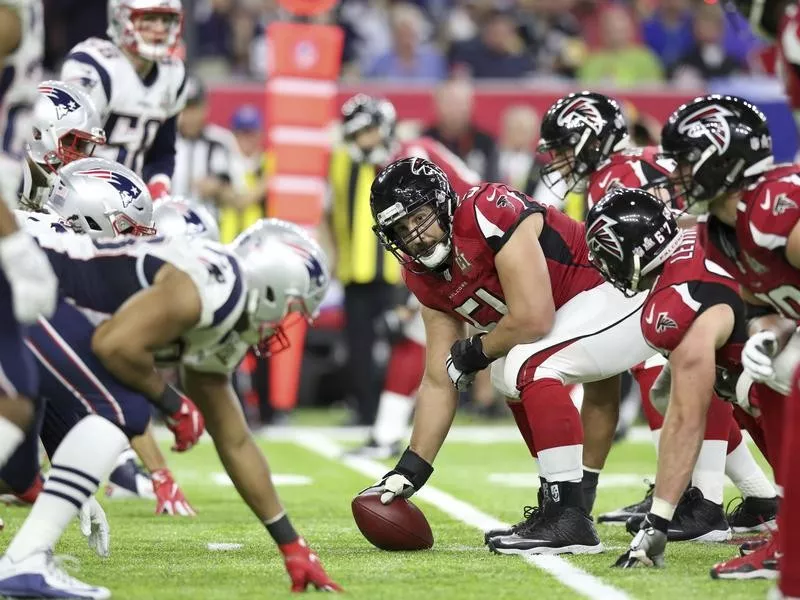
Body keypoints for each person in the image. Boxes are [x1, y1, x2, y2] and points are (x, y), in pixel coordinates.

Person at [19, 217, 341, 594]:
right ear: (272, 287)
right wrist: (172, 403)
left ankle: (24, 559)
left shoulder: (227, 319)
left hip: (44, 301)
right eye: (291, 309)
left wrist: (291, 544)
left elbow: (235, 441)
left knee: (17, 470)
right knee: (127, 411)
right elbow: (115, 346)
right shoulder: (218, 285)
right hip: (30, 277)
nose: (284, 325)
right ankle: (27, 559)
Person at [362, 156, 657, 555]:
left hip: (621, 293)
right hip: (579, 316)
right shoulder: (422, 275)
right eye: (400, 229)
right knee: (507, 372)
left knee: (524, 364)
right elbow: (439, 376)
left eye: (418, 218)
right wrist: (409, 470)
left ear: (442, 203)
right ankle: (562, 506)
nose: (414, 237)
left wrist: (478, 351)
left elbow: (533, 317)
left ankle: (569, 517)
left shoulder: (487, 212)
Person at [538, 90, 777, 537]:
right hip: (714, 272)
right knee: (701, 377)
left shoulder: (613, 178)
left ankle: (700, 497)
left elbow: (651, 239)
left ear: (590, 140)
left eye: (565, 148)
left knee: (674, 370)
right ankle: (756, 493)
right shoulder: (641, 158)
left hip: (693, 276)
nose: (560, 161)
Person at [652, 94, 794, 584]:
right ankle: (790, 534)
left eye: (687, 163)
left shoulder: (775, 210)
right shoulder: (721, 232)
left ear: (723, 158)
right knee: (758, 373)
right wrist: (766, 334)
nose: (676, 177)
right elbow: (775, 312)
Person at [59, 0, 189, 201]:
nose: (160, 28)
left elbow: (162, 151)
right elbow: (64, 151)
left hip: (130, 205)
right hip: (76, 195)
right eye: (149, 19)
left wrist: (158, 188)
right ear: (122, 18)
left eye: (166, 20)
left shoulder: (173, 74)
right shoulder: (94, 66)